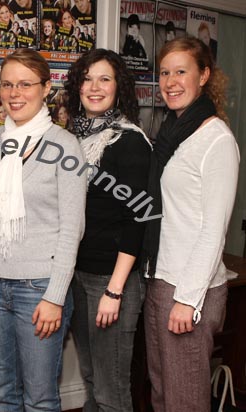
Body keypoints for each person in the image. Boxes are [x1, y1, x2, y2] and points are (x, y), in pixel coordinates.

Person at [0, 48, 87, 412]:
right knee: (0, 392)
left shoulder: (65, 146)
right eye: (7, 84)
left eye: (25, 84)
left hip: (39, 290)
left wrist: (55, 296)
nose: (14, 93)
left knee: (40, 398)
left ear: (46, 88)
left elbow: (71, 229)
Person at [142, 37, 239, 412]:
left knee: (185, 401)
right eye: (165, 72)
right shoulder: (172, 133)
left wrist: (187, 299)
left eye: (181, 71)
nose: (170, 81)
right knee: (163, 392)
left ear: (204, 76)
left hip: (188, 288)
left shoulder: (216, 141)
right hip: (160, 278)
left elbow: (214, 230)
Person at [64, 48, 152, 412]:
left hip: (112, 281)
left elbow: (138, 219)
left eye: (105, 79)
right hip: (78, 275)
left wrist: (115, 291)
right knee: (90, 379)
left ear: (119, 87)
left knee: (111, 391)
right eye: (87, 78)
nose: (95, 87)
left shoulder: (129, 141)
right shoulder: (72, 139)